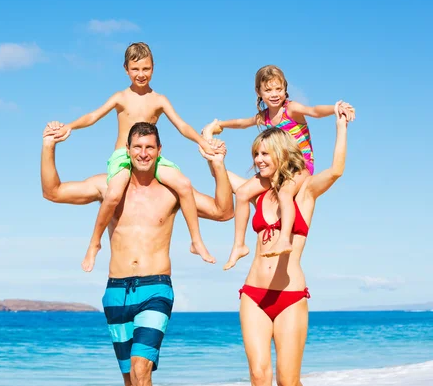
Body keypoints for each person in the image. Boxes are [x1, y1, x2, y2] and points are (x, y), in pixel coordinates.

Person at [41, 122, 232, 386]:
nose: (144, 153)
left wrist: (218, 166)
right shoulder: (108, 186)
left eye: (150, 148)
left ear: (159, 150)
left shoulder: (173, 191)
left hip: (155, 289)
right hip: (116, 292)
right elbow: (53, 192)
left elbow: (223, 211)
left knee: (141, 369)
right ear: (127, 150)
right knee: (130, 379)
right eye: (138, 147)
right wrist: (49, 146)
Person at [49, 42, 217, 272]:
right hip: (124, 156)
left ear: (153, 68)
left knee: (184, 185)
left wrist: (202, 141)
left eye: (146, 69)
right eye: (135, 69)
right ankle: (94, 243)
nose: (141, 74)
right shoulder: (121, 97)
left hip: (150, 155)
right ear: (126, 69)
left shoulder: (159, 99)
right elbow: (93, 116)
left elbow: (181, 125)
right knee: (114, 193)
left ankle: (196, 241)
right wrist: (70, 126)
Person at [223, 102, 353, 386]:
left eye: (264, 153)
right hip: (253, 294)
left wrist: (340, 127)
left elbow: (336, 171)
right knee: (259, 376)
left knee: (287, 380)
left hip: (289, 296)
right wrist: (214, 159)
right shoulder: (259, 192)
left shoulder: (303, 192)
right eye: (255, 154)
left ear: (281, 154)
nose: (258, 159)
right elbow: (230, 183)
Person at [202, 65, 355, 264]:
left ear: (285, 89)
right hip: (276, 169)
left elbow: (314, 111)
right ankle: (239, 245)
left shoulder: (291, 109)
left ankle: (284, 239)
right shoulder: (264, 117)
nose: (274, 94)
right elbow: (242, 122)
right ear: (259, 92)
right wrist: (219, 125)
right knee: (242, 193)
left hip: (299, 167)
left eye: (278, 89)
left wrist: (336, 108)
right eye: (268, 90)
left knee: (284, 193)